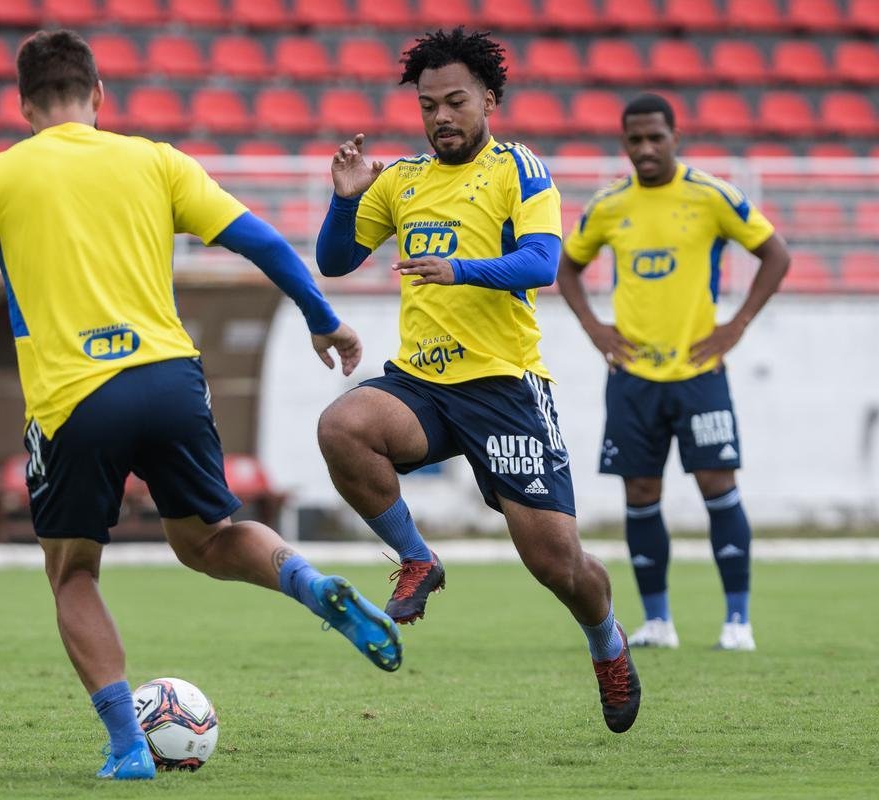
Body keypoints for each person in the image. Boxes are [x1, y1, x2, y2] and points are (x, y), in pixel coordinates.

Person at [0, 31, 402, 781]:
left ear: (23, 107)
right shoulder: (155, 159)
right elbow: (262, 241)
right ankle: (311, 585)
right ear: (99, 95)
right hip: (173, 381)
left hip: (76, 399)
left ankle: (126, 748)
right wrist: (322, 317)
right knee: (209, 537)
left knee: (74, 573)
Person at [315, 27, 639, 733]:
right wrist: (344, 198)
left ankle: (606, 644)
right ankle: (415, 557)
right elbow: (336, 261)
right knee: (342, 428)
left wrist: (460, 268)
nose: (441, 117)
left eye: (456, 101)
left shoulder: (518, 169)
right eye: (429, 105)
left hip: (505, 387)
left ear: (489, 98)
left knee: (558, 567)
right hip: (424, 385)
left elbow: (541, 262)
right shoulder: (401, 180)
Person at [557, 93, 790, 652]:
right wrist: (595, 329)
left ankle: (738, 621)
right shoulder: (610, 204)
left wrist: (734, 327)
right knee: (639, 490)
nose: (645, 149)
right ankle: (658, 621)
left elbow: (776, 254)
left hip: (699, 372)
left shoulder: (711, 196)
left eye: (655, 138)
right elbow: (568, 268)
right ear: (624, 144)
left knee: (717, 484)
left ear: (674, 138)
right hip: (633, 375)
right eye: (634, 140)